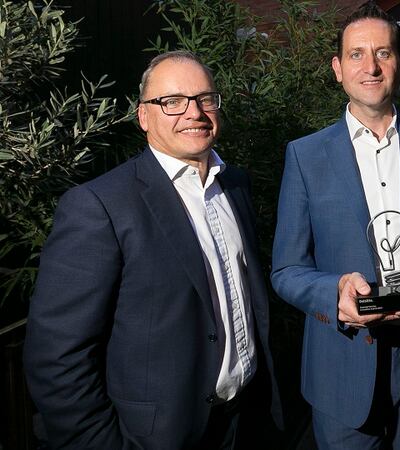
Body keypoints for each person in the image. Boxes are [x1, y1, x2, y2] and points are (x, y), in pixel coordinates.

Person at [24, 51, 282, 449]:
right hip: (154, 436)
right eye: (172, 102)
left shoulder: (235, 185)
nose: (193, 113)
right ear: (143, 116)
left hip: (243, 421)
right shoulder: (100, 205)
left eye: (204, 99)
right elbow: (58, 357)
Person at [270, 3, 400, 449]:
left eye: (383, 53)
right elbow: (286, 270)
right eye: (356, 54)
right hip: (342, 361)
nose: (370, 66)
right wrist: (335, 293)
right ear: (337, 68)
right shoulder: (305, 156)